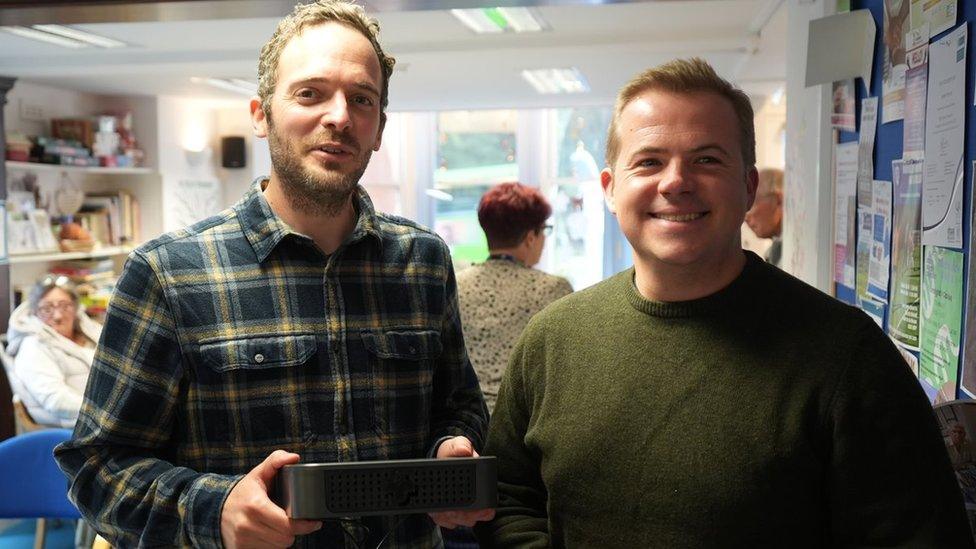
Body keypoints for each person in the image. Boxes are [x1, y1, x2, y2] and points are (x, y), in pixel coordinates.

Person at [475, 58, 972, 547]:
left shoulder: (848, 356)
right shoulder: (552, 339)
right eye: (649, 161)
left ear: (749, 186)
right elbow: (511, 501)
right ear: (610, 188)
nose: (675, 182)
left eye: (707, 159)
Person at [54, 1, 491, 547]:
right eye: (310, 93)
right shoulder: (169, 274)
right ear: (261, 115)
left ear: (379, 127)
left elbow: (460, 406)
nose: (339, 116)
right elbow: (96, 467)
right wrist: (213, 511)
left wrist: (451, 449)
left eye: (362, 99)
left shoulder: (423, 261)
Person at [457, 182, 573, 411]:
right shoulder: (552, 289)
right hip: (523, 425)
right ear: (531, 237)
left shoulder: (455, 284)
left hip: (464, 424)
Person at [6, 275, 101, 428]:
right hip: (75, 428)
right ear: (35, 311)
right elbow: (56, 401)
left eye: (65, 306)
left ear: (76, 307)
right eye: (47, 308)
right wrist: (104, 412)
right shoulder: (33, 346)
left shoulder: (91, 332)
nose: (58, 316)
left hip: (104, 420)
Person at [744, 167, 783, 267]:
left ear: (778, 200)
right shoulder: (773, 254)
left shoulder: (799, 251)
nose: (745, 218)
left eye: (751, 204)